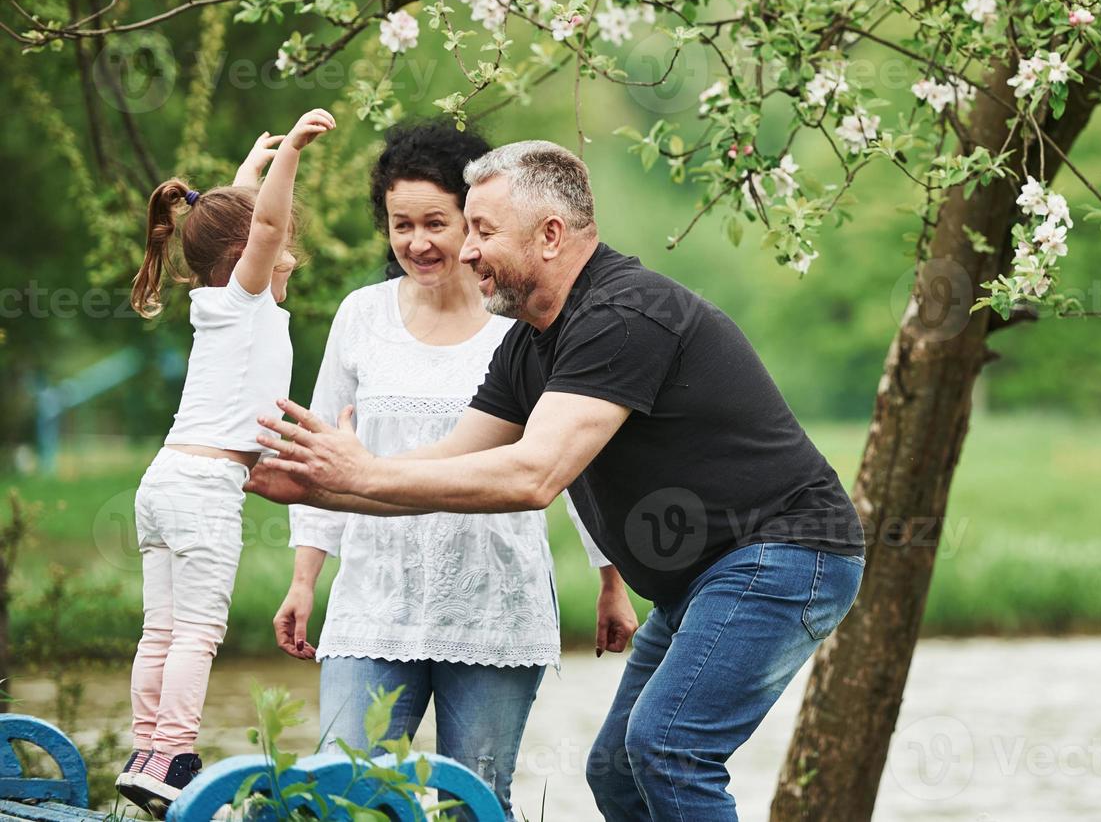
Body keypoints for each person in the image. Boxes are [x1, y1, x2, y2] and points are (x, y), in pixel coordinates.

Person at [245, 139, 866, 821]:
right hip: (707, 576)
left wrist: (358, 472)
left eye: (482, 231)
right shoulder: (530, 339)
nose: (467, 250)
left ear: (549, 236)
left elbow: (533, 475)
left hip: (785, 555)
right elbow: (452, 461)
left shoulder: (621, 315)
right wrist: (322, 486)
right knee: (618, 771)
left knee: (667, 748)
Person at [272, 121, 635, 817]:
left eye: (435, 222)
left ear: (472, 223)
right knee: (347, 799)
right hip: (375, 600)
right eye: (399, 224)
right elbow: (325, 453)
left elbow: (573, 463)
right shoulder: (361, 316)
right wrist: (302, 578)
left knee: (473, 804)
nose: (417, 242)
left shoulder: (523, 325)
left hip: (493, 604)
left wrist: (610, 580)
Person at [120, 109, 336, 818]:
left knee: (162, 629)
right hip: (206, 486)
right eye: (282, 249)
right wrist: (291, 154)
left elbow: (243, 224)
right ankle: (173, 752)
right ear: (250, 253)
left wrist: (248, 170)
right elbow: (264, 227)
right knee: (198, 634)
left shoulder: (216, 300)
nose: (290, 256)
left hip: (163, 483)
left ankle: (145, 748)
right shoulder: (245, 302)